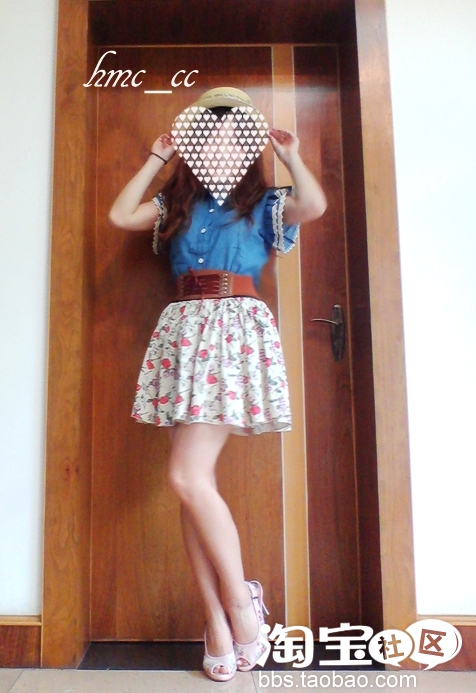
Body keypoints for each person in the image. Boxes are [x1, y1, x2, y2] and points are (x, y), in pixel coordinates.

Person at [109, 86, 327, 682]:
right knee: (192, 483)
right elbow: (120, 215)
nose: (222, 151)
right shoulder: (177, 205)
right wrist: (158, 157)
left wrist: (291, 156)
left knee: (187, 477)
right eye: (211, 141)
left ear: (249, 150)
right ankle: (216, 622)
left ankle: (241, 603)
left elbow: (313, 206)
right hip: (183, 334)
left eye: (235, 142)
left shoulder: (266, 203)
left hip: (234, 335)